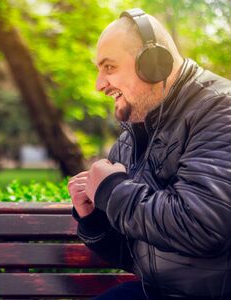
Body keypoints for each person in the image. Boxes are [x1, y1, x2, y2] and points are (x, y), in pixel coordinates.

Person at [68, 8, 231, 300]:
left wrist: (111, 190)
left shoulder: (220, 110)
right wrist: (93, 217)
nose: (99, 84)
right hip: (155, 292)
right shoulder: (134, 130)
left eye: (109, 67)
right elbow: (131, 253)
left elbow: (202, 227)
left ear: (154, 64)